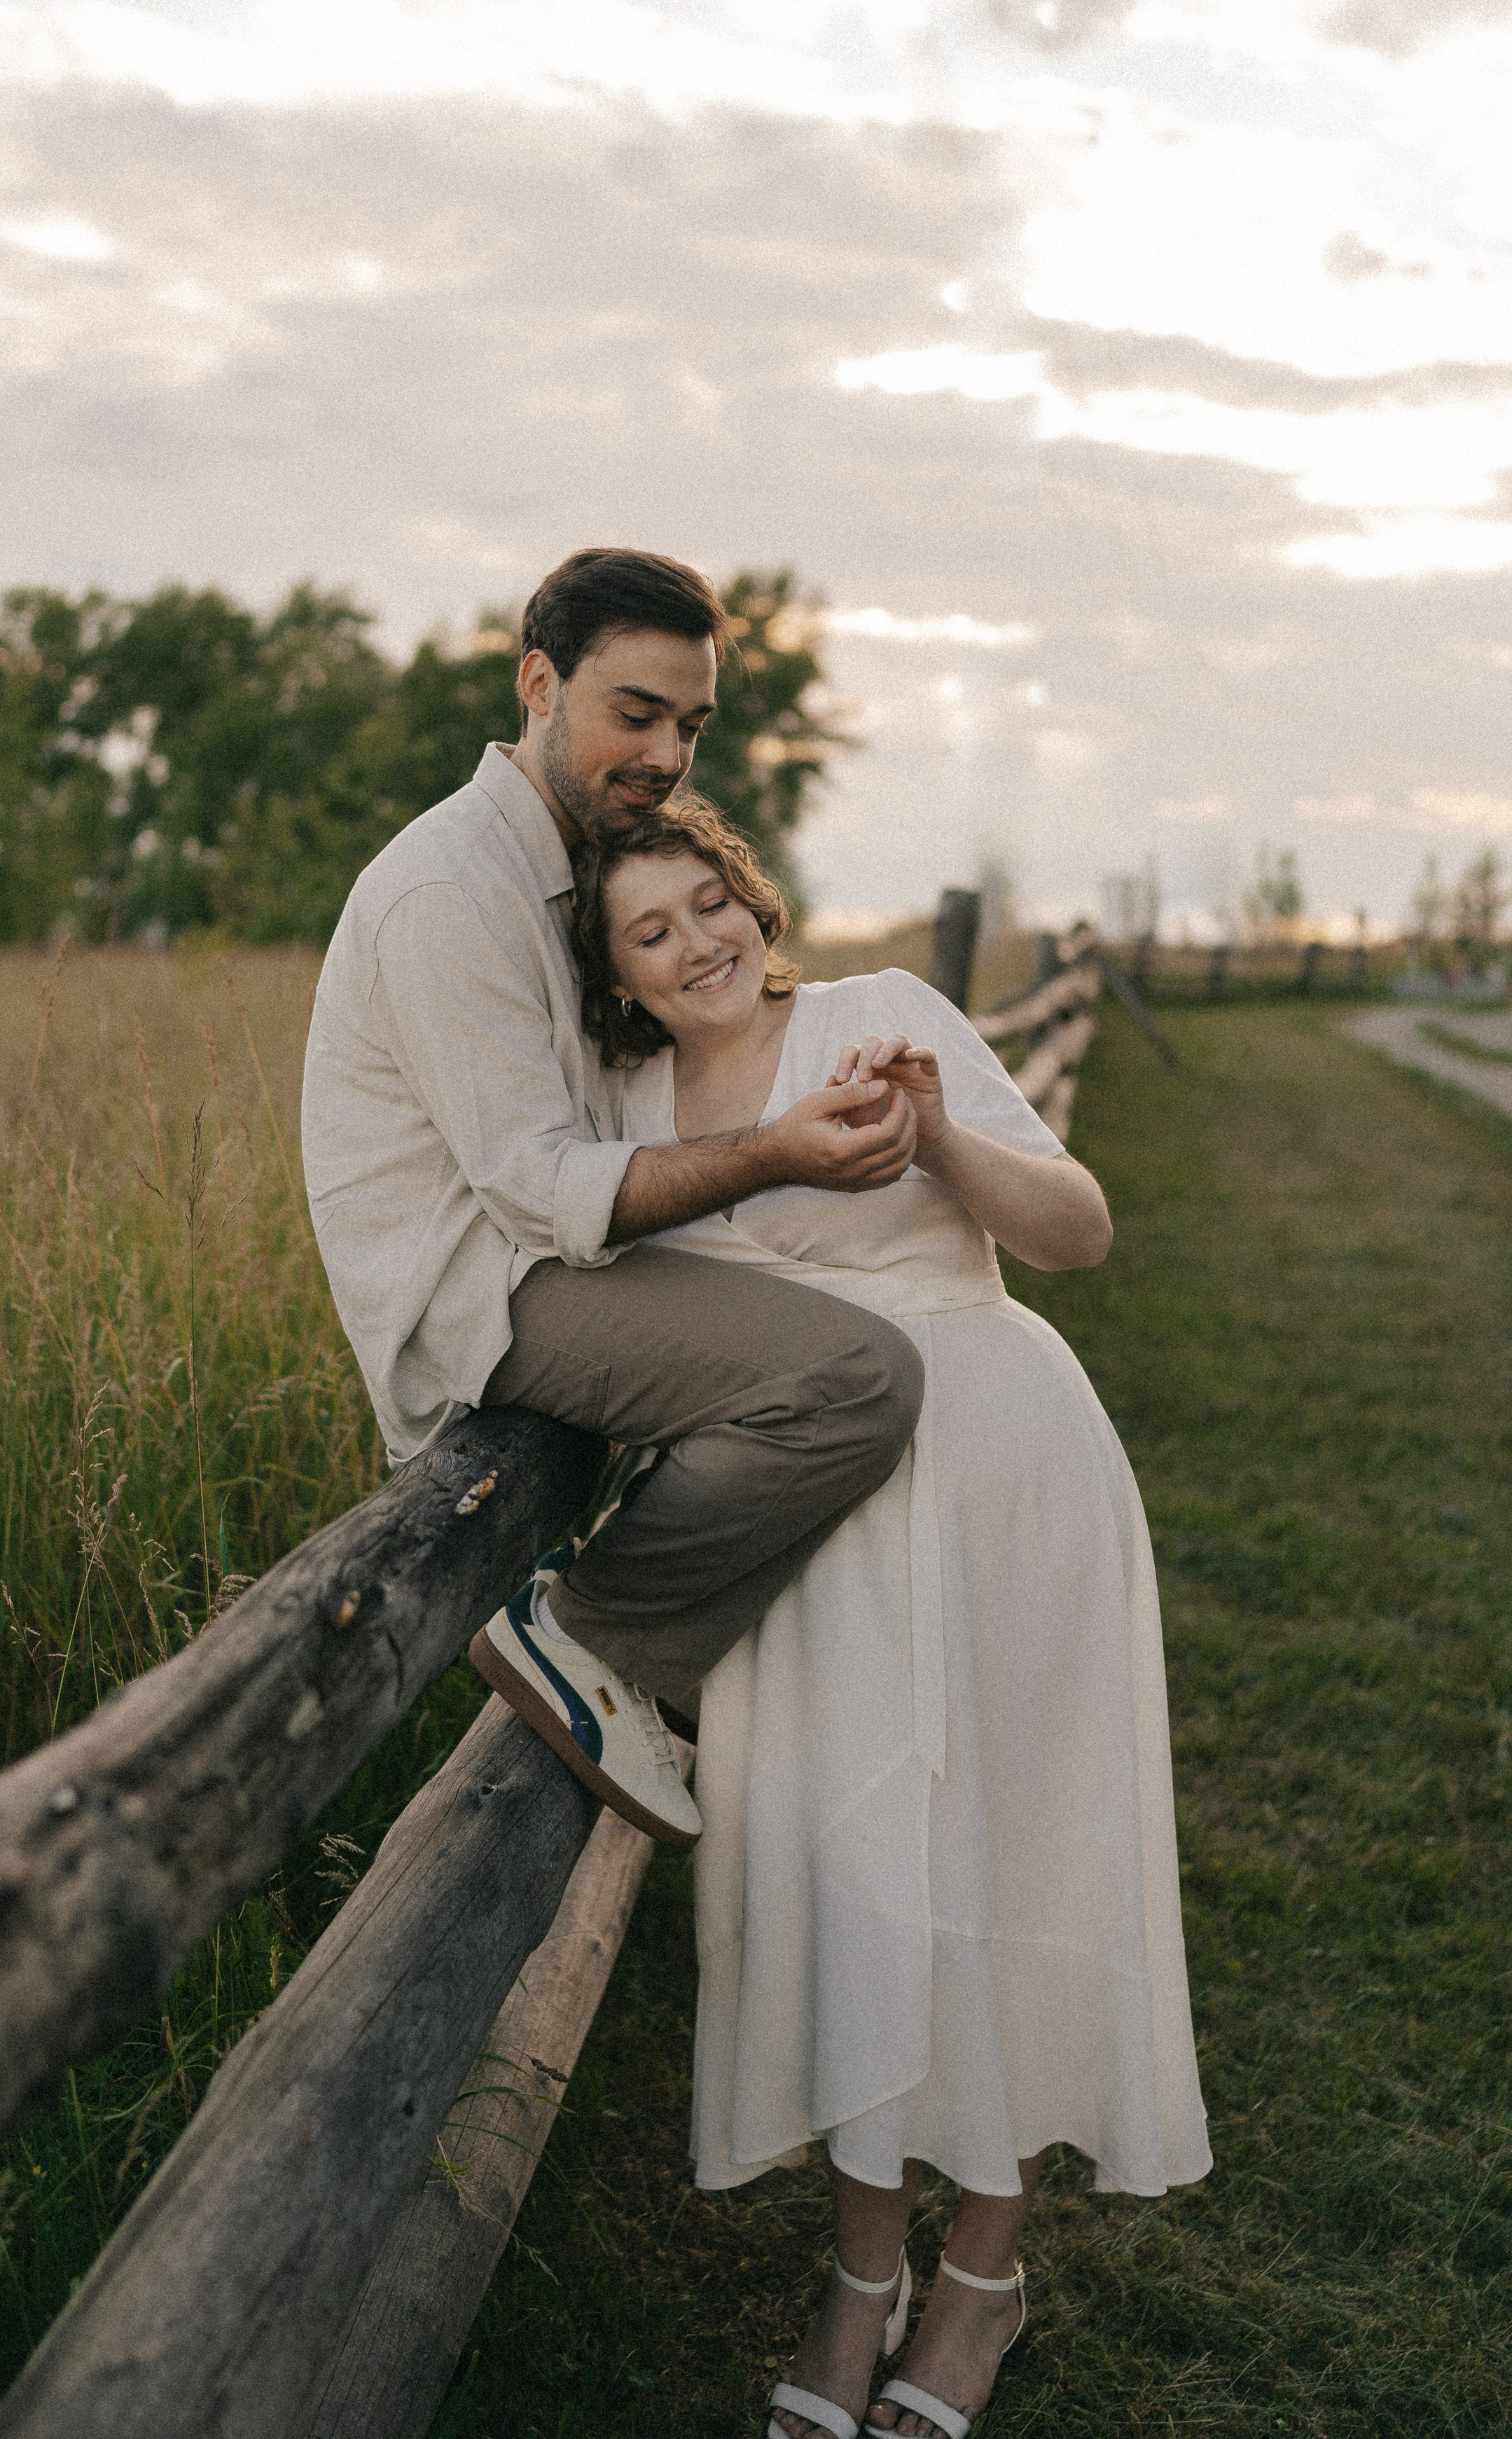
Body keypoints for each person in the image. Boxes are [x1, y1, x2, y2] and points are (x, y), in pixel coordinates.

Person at [570, 794, 1211, 2439]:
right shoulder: (627, 1111)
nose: (697, 943)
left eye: (707, 901)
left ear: (747, 894)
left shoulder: (880, 1018)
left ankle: (980, 2280)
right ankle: (862, 2278)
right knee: (848, 1873)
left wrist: (939, 1142)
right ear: (616, 975)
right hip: (817, 1515)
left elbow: (1076, 1231)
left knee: (1009, 1852)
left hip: (1004, 1467)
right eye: (651, 932)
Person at [301, 546, 925, 1855]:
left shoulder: (583, 860)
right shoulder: (446, 888)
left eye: (689, 724)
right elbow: (537, 1188)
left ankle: (715, 1696)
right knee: (856, 1375)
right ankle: (587, 1637)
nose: (666, 751)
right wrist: (775, 1151)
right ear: (540, 682)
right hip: (479, 1291)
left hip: (548, 1263)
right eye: (634, 712)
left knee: (829, 1316)